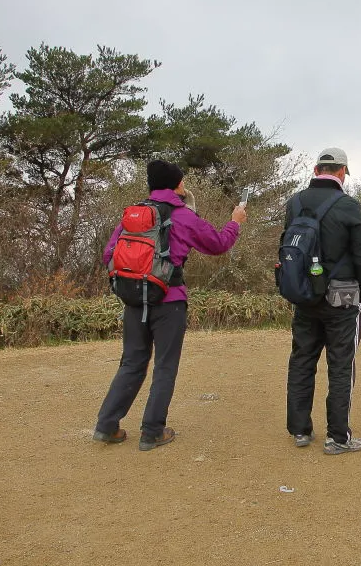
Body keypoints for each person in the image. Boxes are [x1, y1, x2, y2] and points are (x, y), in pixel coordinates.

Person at [93, 159, 247, 451]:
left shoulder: (134, 214)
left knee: (132, 362)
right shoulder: (182, 215)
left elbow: (108, 254)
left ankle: (106, 426)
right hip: (169, 300)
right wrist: (235, 222)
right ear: (176, 184)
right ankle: (152, 431)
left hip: (134, 299)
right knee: (165, 366)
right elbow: (218, 244)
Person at [284, 148, 361, 454]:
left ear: (315, 168)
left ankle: (299, 430)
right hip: (343, 295)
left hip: (304, 295)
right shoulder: (348, 205)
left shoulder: (295, 202)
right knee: (340, 365)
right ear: (341, 172)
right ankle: (338, 436)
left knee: (302, 360)